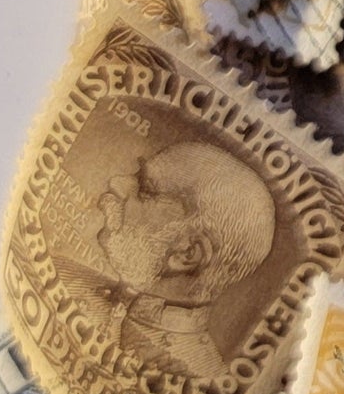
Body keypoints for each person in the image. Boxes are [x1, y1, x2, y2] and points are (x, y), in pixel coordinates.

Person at [87, 141, 279, 380]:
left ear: (186, 254)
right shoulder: (79, 281)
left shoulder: (192, 374)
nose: (117, 182)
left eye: (146, 189)